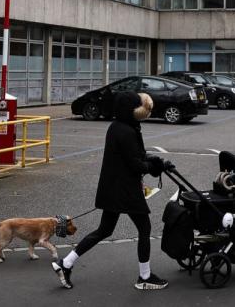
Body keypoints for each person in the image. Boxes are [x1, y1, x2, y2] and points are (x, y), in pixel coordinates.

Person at [53, 91, 171, 291]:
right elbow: (136, 164)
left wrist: (153, 161)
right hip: (125, 190)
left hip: (113, 188)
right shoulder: (127, 131)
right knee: (144, 229)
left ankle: (65, 263)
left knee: (104, 230)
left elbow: (134, 156)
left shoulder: (117, 127)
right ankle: (145, 277)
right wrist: (155, 166)